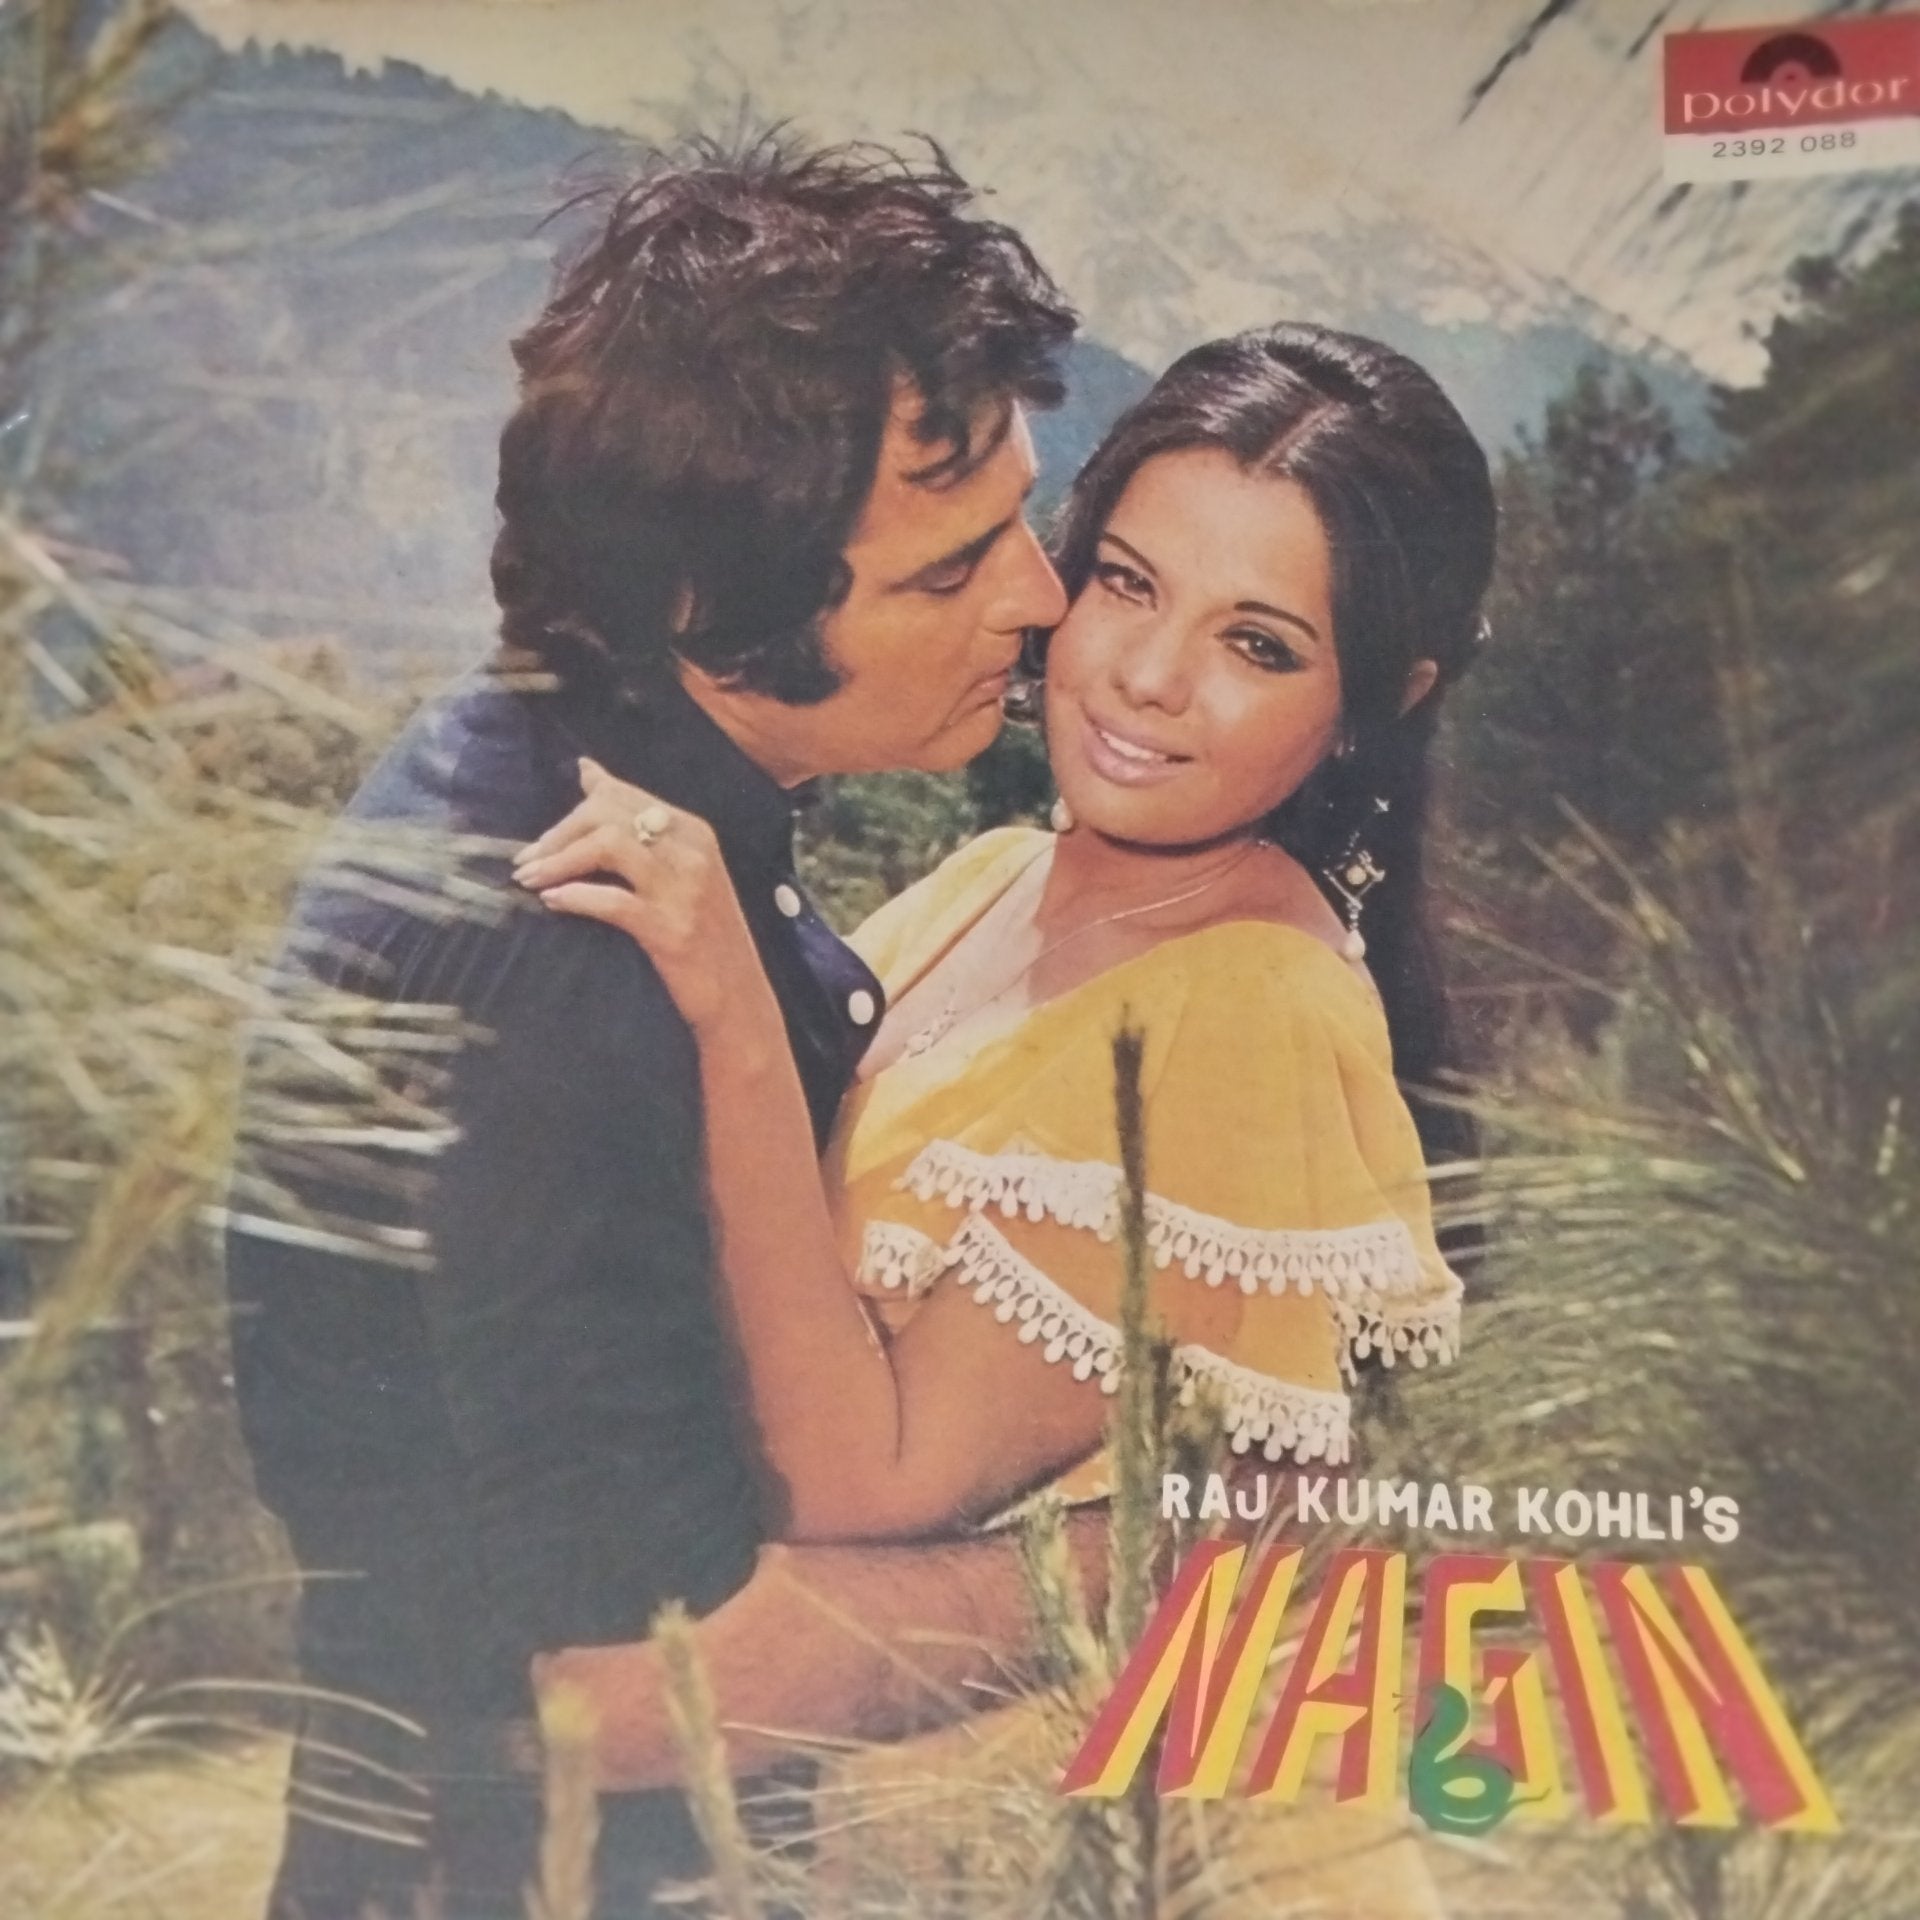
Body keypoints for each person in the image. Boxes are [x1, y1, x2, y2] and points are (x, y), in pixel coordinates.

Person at [519, 317, 1497, 1905]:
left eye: (1258, 646)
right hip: (928, 1840)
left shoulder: (1251, 999)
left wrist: (736, 1013)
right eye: (1127, 582)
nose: (1150, 677)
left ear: (1380, 695)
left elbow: (865, 1477)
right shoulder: (993, 881)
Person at [223, 133, 1091, 1920]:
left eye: (1025, 519)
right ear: (707, 606)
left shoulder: (575, 784)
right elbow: (612, 1693)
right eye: (947, 572)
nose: (1040, 600)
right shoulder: (575, 950)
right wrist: (1148, 1568)